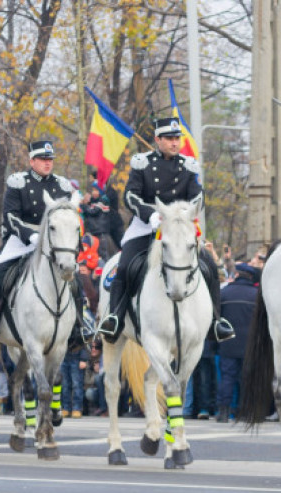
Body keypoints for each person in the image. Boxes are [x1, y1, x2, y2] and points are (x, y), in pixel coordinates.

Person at [97, 117, 234, 343]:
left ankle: (216, 321)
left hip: (179, 227)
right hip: (146, 224)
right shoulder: (143, 163)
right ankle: (115, 318)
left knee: (208, 265)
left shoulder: (188, 166)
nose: (174, 143)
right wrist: (150, 215)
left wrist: (185, 214)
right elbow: (130, 195)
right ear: (157, 140)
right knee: (125, 266)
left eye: (176, 138)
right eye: (169, 138)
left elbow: (198, 196)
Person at [0, 140, 75, 348]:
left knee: (73, 279)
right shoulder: (18, 183)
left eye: (50, 159)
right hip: (22, 239)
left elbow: (67, 218)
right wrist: (30, 236)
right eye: (43, 159)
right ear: (32, 161)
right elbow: (10, 216)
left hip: (54, 241)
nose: (48, 163)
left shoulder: (62, 185)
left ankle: (79, 327)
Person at [215, 263, 258, 422]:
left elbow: (216, 320)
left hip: (228, 343)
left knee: (227, 377)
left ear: (237, 275)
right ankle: (245, 413)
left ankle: (224, 412)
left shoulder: (224, 293)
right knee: (247, 379)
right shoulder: (257, 295)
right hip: (250, 345)